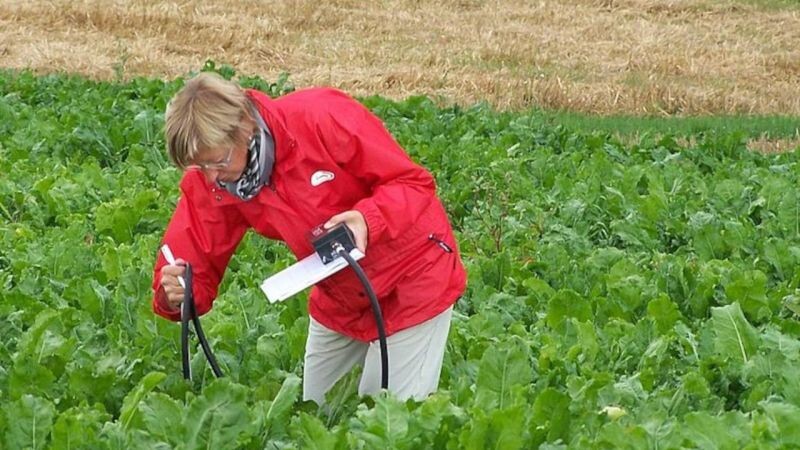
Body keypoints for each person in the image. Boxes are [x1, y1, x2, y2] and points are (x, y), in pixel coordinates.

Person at [151, 72, 466, 405]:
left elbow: (413, 185)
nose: (212, 176)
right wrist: (176, 292)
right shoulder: (215, 181)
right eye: (199, 167)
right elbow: (190, 259)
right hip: (341, 295)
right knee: (314, 413)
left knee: (388, 415)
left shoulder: (321, 117)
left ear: (245, 126)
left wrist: (367, 219)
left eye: (218, 161)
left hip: (414, 278)